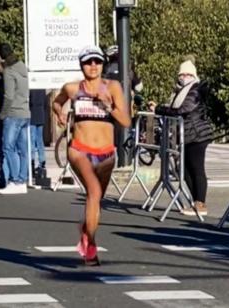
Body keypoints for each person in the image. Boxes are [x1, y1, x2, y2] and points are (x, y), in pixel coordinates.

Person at [52, 46, 131, 265]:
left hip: (106, 153)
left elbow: (126, 121)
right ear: (81, 65)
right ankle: (92, 245)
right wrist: (60, 113)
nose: (93, 66)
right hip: (79, 149)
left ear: (103, 64)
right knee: (94, 192)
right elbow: (56, 101)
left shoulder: (112, 87)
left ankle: (86, 232)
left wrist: (109, 106)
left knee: (96, 199)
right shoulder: (72, 88)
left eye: (97, 62)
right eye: (88, 62)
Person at [154, 58, 213, 216]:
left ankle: (200, 203)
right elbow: (175, 107)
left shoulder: (195, 90)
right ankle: (196, 202)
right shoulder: (179, 91)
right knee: (183, 169)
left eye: (188, 74)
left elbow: (183, 109)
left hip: (197, 134)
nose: (184, 77)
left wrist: (159, 109)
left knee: (196, 168)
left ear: (194, 75)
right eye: (182, 74)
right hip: (186, 135)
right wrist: (160, 107)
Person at [0, 43, 31, 194]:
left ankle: (15, 181)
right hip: (25, 112)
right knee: (23, 149)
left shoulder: (9, 71)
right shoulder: (22, 67)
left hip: (13, 113)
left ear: (0, 56)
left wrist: (2, 114)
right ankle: (22, 180)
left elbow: (9, 95)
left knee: (8, 147)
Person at [29, 89, 48, 177]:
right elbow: (45, 103)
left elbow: (30, 102)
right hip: (41, 114)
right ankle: (42, 162)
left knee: (32, 140)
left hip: (32, 114)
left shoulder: (31, 89)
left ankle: (32, 162)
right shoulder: (42, 89)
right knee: (40, 140)